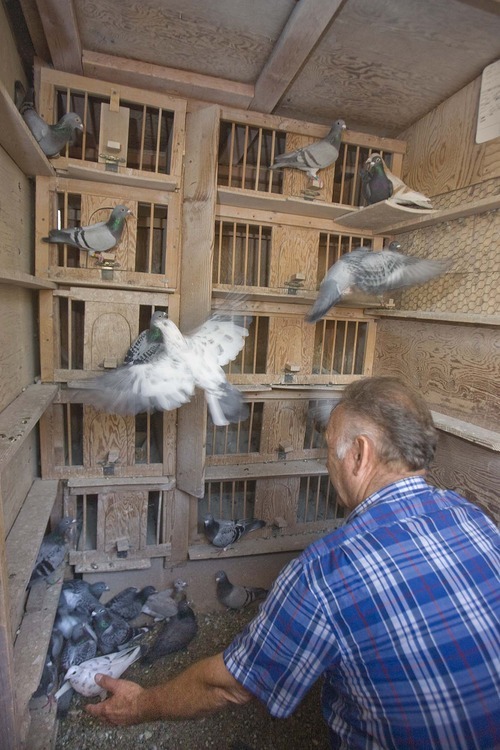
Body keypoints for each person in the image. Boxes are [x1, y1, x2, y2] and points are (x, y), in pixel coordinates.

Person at [86, 376, 500, 749]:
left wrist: (141, 704)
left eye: (329, 448)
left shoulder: (325, 571)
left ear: (359, 453)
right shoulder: (478, 520)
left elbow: (225, 688)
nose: (326, 461)